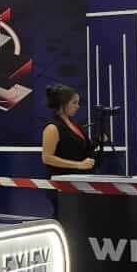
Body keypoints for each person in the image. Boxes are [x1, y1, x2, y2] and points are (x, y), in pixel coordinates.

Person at [40, 83, 97, 213]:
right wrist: (78, 165)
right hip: (62, 185)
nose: (78, 106)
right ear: (62, 104)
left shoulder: (74, 125)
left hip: (79, 183)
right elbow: (47, 158)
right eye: (74, 103)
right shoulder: (52, 127)